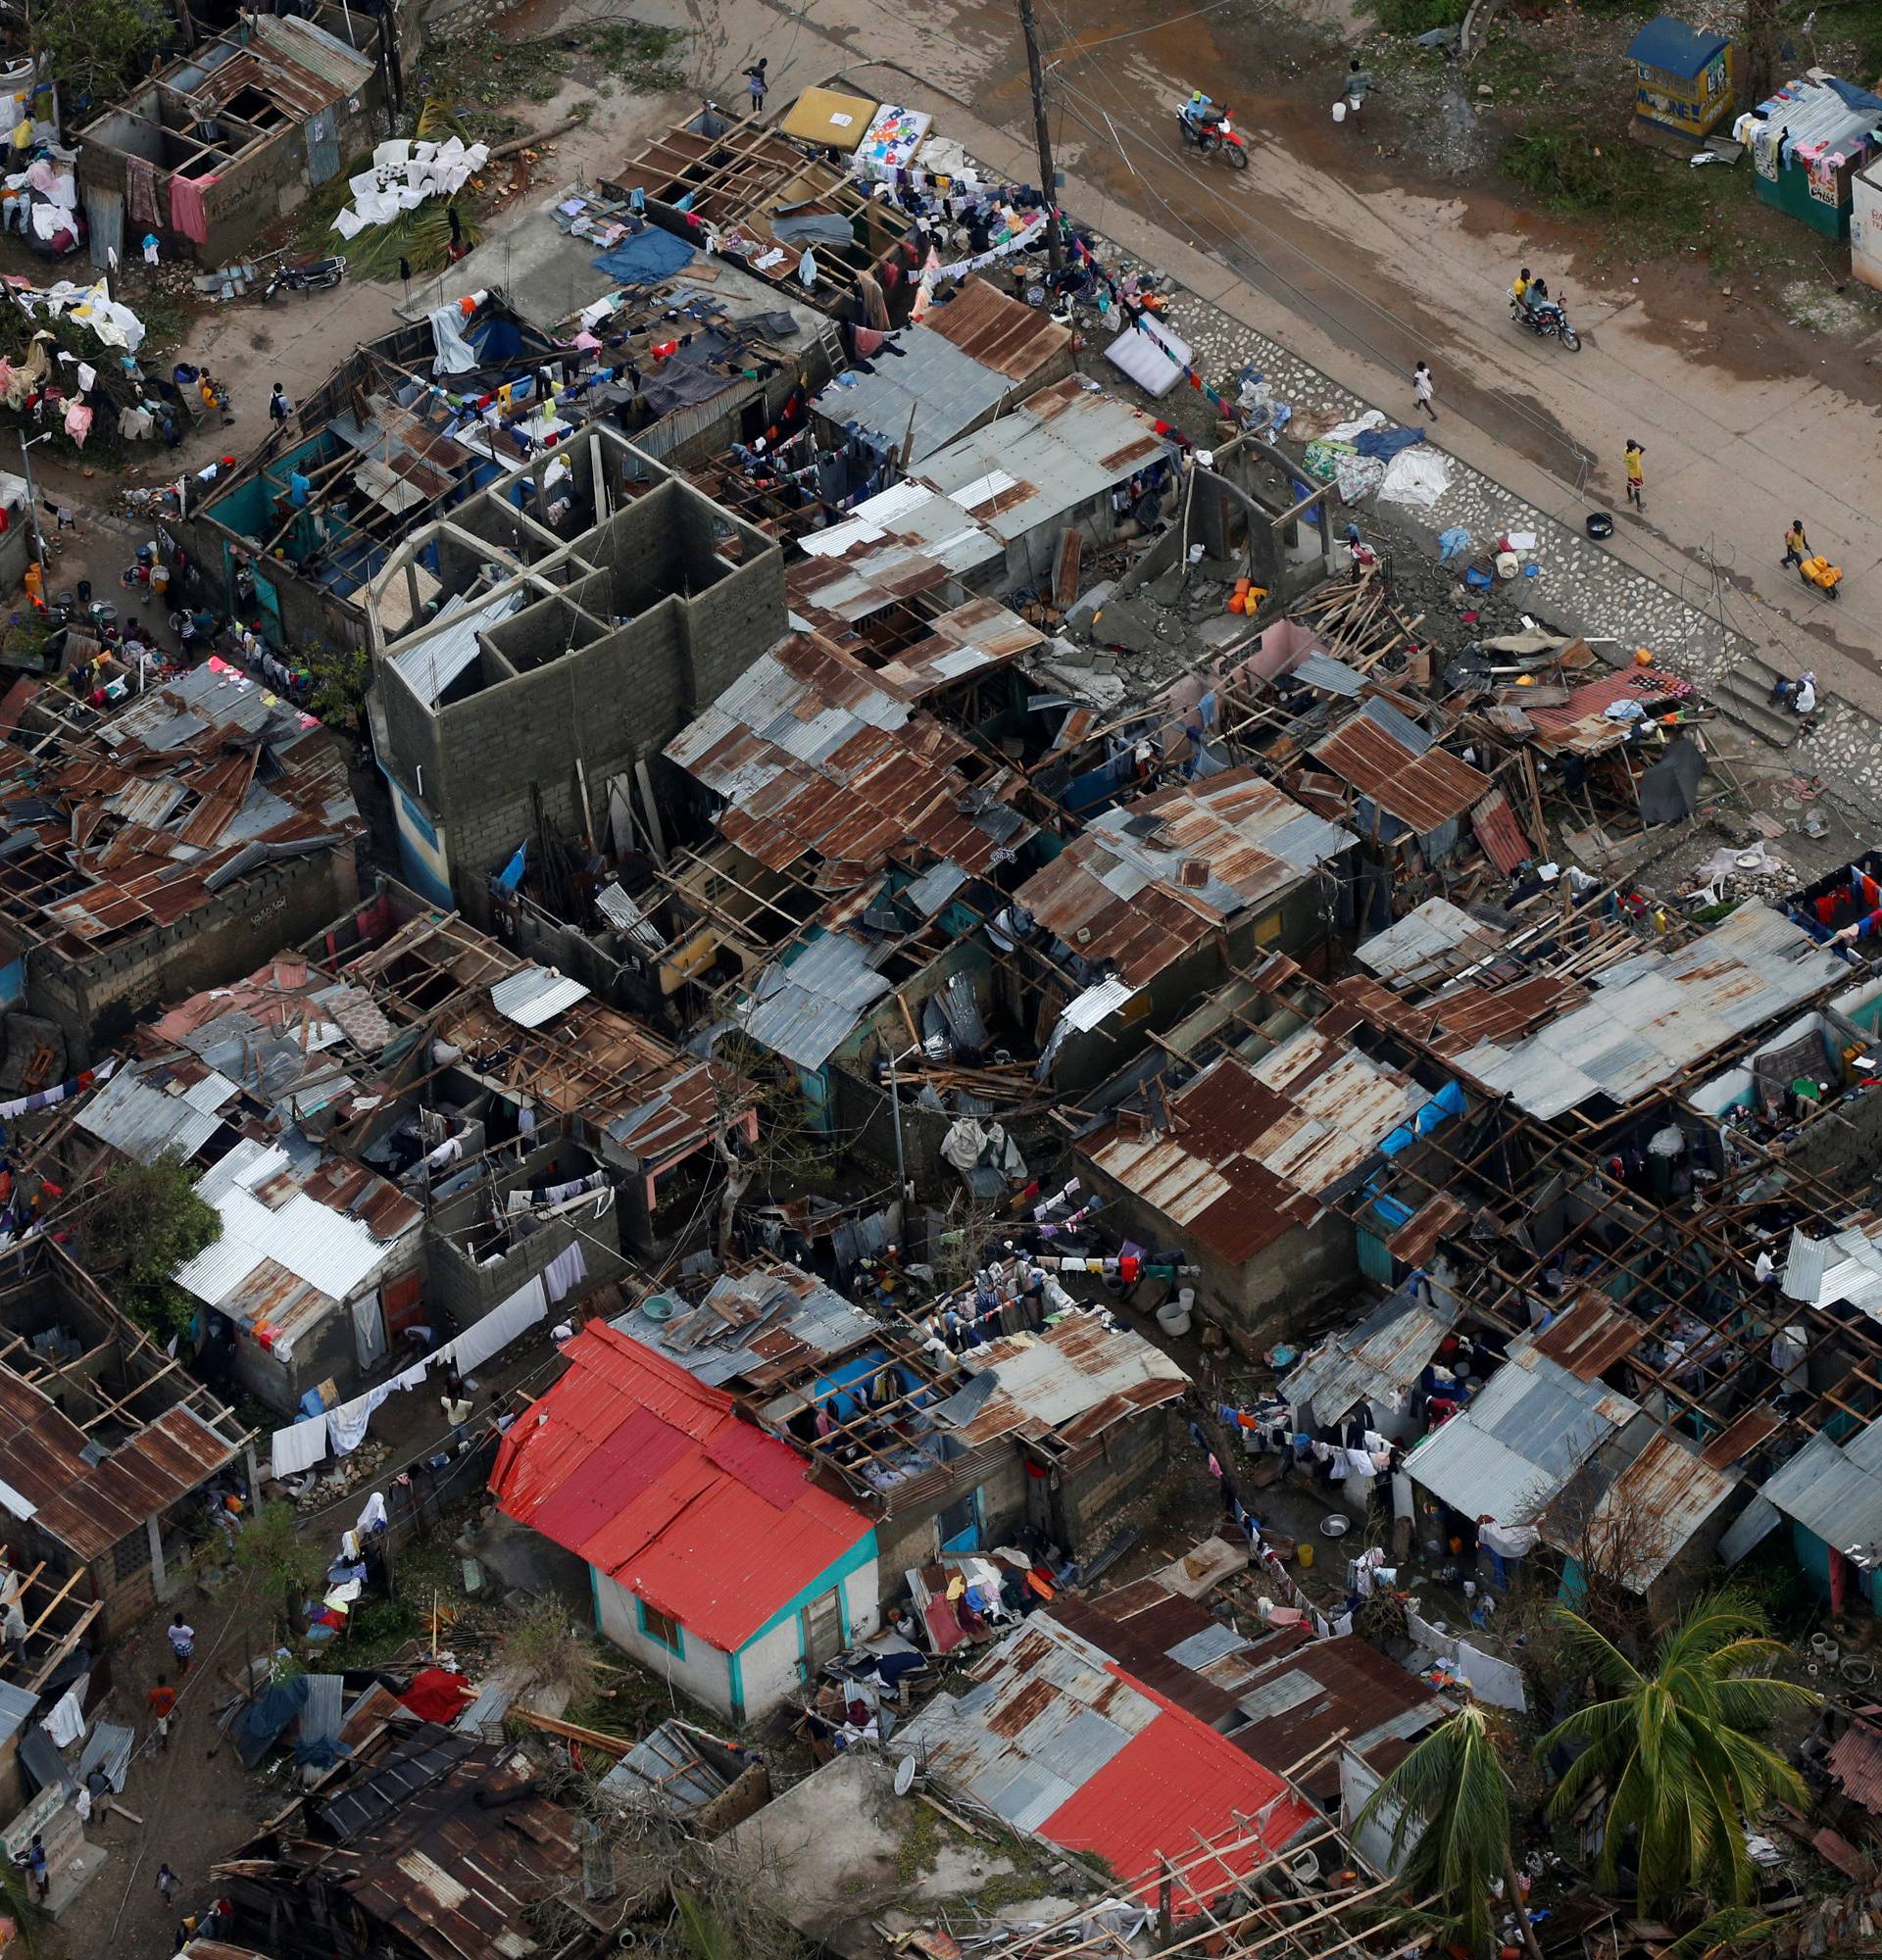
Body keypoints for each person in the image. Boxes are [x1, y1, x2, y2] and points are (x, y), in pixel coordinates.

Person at [148, 1673, 177, 1748]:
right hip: (168, 1710)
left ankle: (165, 1745)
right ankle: (170, 1722)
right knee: (169, 1716)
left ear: (157, 1682)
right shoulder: (170, 1690)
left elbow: (151, 1704)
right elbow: (173, 1702)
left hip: (160, 1714)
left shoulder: (153, 1693)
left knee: (163, 1731)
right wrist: (178, 1710)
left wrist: (148, 1711)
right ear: (165, 1681)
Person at [1345, 58, 1371, 129]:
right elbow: (1367, 86)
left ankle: (1361, 128)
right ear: (1359, 67)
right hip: (1362, 95)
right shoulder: (1364, 75)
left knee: (1356, 112)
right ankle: (1359, 108)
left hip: (1355, 97)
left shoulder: (1349, 79)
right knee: (1360, 104)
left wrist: (1340, 98)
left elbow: (1347, 90)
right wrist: (1375, 90)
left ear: (1351, 68)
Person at [21, 1833, 48, 1901]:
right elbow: (32, 1849)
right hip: (43, 1866)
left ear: (35, 1842)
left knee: (39, 1882)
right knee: (45, 1876)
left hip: (39, 1868)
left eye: (33, 1842)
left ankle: (43, 1897)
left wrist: (30, 1862)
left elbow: (42, 1859)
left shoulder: (40, 1850)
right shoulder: (39, 1845)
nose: (32, 1843)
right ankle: (46, 1889)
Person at [1623, 438, 1645, 512]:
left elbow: (1628, 447)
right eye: (1634, 446)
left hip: (1630, 472)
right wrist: (1637, 444)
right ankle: (1639, 505)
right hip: (1636, 474)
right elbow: (1643, 449)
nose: (1635, 447)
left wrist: (1633, 444)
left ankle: (1630, 498)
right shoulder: (1634, 455)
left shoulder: (1625, 451)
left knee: (1629, 484)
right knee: (1637, 489)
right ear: (1632, 447)